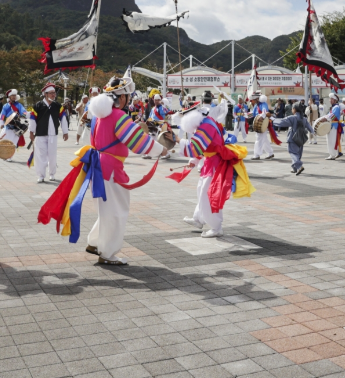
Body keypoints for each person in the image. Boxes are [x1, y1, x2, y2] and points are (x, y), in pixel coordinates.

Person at [85, 76, 168, 265]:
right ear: (121, 98)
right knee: (117, 210)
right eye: (127, 96)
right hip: (110, 167)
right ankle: (108, 252)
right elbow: (138, 141)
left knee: (107, 209)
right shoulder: (118, 116)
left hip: (98, 165)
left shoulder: (99, 116)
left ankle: (96, 242)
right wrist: (160, 149)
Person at [180, 91, 251, 237]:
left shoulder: (206, 125)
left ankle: (216, 227)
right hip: (210, 162)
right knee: (202, 191)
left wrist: (176, 141)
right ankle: (198, 219)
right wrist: (194, 160)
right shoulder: (206, 123)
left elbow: (196, 146)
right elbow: (203, 147)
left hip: (214, 164)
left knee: (209, 194)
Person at [29, 83, 69, 183]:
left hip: (53, 135)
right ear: (45, 94)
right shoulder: (38, 106)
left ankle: (52, 174)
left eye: (54, 93)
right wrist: (31, 132)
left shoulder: (57, 106)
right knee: (40, 155)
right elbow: (32, 119)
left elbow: (63, 119)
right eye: (51, 93)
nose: (53, 95)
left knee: (52, 155)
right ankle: (41, 175)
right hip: (40, 134)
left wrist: (65, 132)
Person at [272, 102, 314, 175]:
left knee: (293, 153)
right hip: (301, 139)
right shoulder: (304, 118)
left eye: (292, 108)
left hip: (293, 139)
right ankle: (295, 168)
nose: (292, 109)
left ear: (294, 109)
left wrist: (272, 119)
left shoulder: (292, 117)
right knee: (298, 154)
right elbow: (310, 128)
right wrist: (313, 132)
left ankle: (299, 166)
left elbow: (281, 122)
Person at [0, 89, 28, 162]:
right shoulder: (5, 106)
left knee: (13, 143)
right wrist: (1, 124)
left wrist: (25, 114)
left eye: (15, 95)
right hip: (7, 126)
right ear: (9, 97)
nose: (14, 97)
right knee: (5, 141)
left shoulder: (19, 105)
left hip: (16, 127)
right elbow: (2, 115)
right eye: (12, 95)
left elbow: (23, 112)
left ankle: (10, 156)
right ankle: (4, 155)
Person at [315, 92, 345, 160]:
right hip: (332, 126)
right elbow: (328, 115)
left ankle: (332, 155)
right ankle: (335, 153)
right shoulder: (334, 107)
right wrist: (323, 118)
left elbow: (332, 116)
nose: (330, 100)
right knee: (332, 140)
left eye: (331, 99)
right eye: (330, 99)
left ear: (335, 100)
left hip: (334, 126)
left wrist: (325, 119)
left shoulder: (336, 107)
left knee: (331, 140)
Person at [251, 93, 274, 160]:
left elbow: (265, 112)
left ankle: (257, 154)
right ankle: (270, 153)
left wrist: (262, 116)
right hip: (260, 123)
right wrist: (244, 115)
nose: (253, 101)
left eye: (254, 100)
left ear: (258, 99)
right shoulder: (256, 105)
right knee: (264, 139)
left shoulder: (263, 104)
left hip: (263, 123)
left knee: (259, 139)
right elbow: (253, 114)